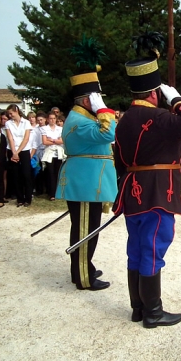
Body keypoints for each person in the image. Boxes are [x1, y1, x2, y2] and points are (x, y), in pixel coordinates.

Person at [113, 44, 181, 328]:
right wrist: (177, 100)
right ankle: (153, 312)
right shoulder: (160, 116)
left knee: (136, 247)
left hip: (132, 190)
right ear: (154, 93)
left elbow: (120, 159)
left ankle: (138, 308)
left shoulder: (123, 121)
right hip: (157, 192)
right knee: (153, 246)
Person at [55, 38, 117, 292]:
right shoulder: (79, 121)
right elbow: (108, 133)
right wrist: (104, 110)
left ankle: (83, 267)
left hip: (89, 183)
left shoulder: (82, 118)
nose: (100, 102)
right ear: (85, 100)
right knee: (84, 231)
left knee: (88, 229)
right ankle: (83, 277)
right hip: (84, 184)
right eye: (96, 99)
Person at [5, 104, 34, 207]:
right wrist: (14, 153)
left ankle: (28, 198)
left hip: (24, 150)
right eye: (9, 114)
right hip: (12, 150)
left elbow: (26, 139)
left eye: (11, 113)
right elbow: (10, 138)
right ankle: (20, 198)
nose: (10, 116)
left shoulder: (26, 122)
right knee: (16, 175)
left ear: (16, 110)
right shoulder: (8, 123)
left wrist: (18, 152)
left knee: (26, 174)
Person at [41, 111, 65, 201]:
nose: (52, 120)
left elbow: (62, 141)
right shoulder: (44, 128)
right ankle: (51, 193)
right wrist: (56, 141)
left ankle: (58, 192)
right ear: (47, 119)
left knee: (58, 173)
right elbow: (44, 142)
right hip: (49, 153)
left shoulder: (60, 129)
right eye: (51, 118)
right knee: (50, 173)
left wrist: (52, 140)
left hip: (58, 152)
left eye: (54, 118)